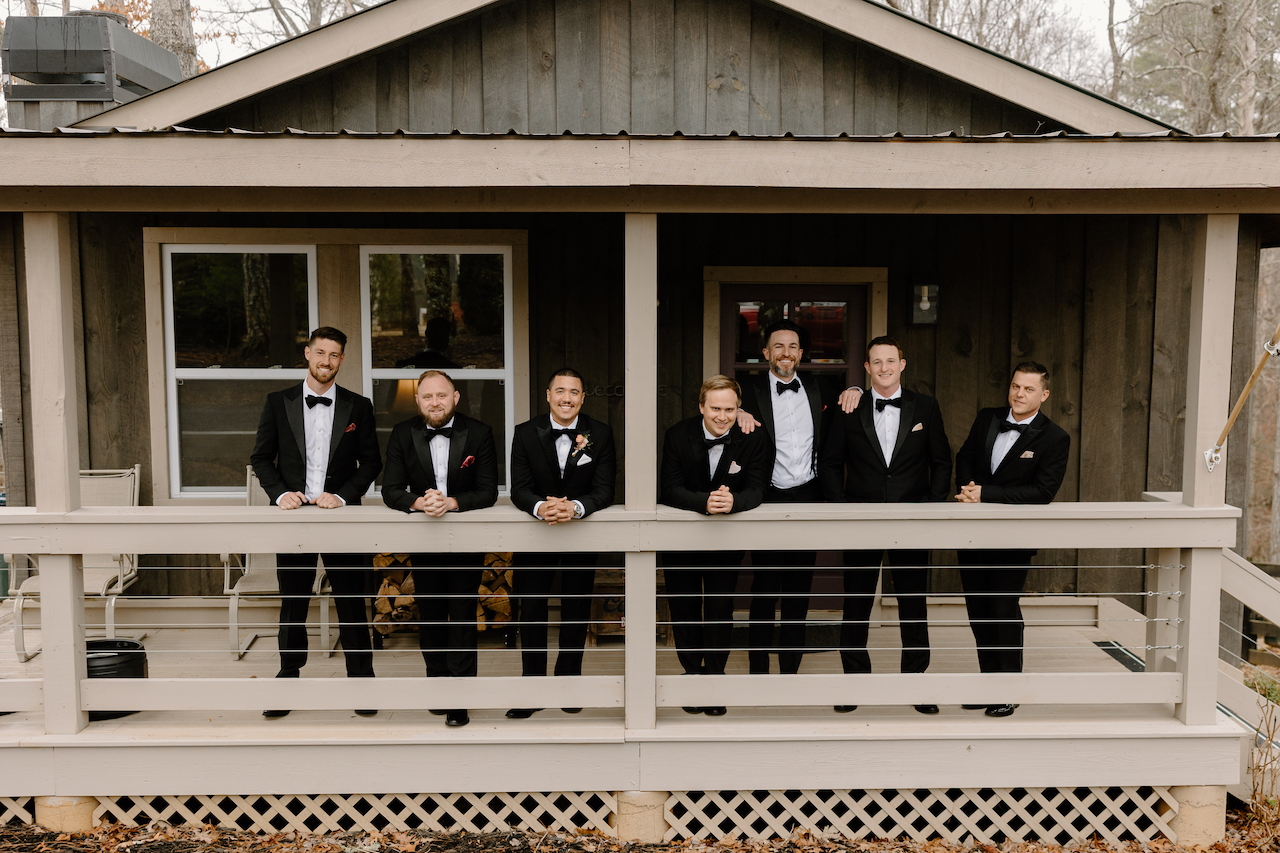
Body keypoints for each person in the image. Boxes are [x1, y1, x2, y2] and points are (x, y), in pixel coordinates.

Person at [249, 326, 382, 719]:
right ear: (307, 353)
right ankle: (288, 677)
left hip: (342, 518)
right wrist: (278, 494)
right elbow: (260, 458)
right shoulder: (278, 402)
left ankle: (362, 682)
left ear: (342, 360)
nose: (326, 361)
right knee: (293, 602)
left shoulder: (359, 407)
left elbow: (372, 462)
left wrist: (342, 495)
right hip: (294, 520)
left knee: (352, 602)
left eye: (335, 355)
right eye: (320, 353)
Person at [819, 335, 951, 714]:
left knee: (913, 603)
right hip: (861, 520)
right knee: (856, 602)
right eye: (876, 362)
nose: (884, 368)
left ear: (902, 364)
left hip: (913, 520)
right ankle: (854, 683)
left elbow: (941, 462)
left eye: (890, 361)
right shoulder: (850, 409)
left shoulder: (925, 407)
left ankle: (916, 684)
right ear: (867, 367)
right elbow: (830, 463)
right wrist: (843, 509)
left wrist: (931, 508)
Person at [736, 320, 861, 676]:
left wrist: (856, 388)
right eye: (778, 346)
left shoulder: (823, 388)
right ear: (766, 353)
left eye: (792, 347)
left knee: (798, 587)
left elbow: (857, 398)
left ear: (801, 354)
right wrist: (739, 412)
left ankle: (790, 669)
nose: (786, 353)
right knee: (764, 587)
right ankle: (758, 670)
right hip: (767, 498)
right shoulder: (746, 389)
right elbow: (718, 406)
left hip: (808, 497)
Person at [382, 369, 498, 728]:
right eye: (428, 396)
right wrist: (419, 503)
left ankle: (460, 697)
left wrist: (451, 503)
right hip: (424, 539)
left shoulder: (479, 433)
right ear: (418, 400)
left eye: (442, 395)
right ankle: (436, 684)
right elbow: (390, 489)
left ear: (456, 397)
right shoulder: (403, 433)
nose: (435, 402)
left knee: (462, 613)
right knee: (430, 611)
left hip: (465, 538)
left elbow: (488, 491)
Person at [954, 361, 1070, 717]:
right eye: (1016, 386)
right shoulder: (987, 417)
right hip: (972, 534)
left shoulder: (1055, 438)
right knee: (977, 610)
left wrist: (985, 494)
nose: (1019, 394)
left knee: (1002, 609)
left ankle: (1009, 689)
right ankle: (989, 685)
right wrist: (969, 490)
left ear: (1044, 395)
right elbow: (965, 457)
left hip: (1012, 539)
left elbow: (1041, 492)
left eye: (1029, 389)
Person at [505, 368, 617, 719]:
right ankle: (533, 687)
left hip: (580, 535)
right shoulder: (524, 433)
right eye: (560, 391)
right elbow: (519, 488)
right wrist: (542, 508)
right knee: (532, 610)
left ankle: (569, 682)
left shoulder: (601, 433)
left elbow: (605, 489)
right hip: (535, 535)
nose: (566, 397)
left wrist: (576, 508)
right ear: (548, 395)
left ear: (583, 398)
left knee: (575, 609)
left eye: (574, 392)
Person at [661, 375, 774, 716]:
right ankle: (692, 673)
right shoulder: (678, 435)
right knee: (683, 607)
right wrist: (705, 502)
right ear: (701, 407)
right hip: (680, 538)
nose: (722, 416)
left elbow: (758, 487)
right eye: (715, 409)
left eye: (729, 409)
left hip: (726, 538)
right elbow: (668, 487)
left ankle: (715, 677)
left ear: (738, 409)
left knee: (720, 607)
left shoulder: (754, 438)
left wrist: (735, 501)